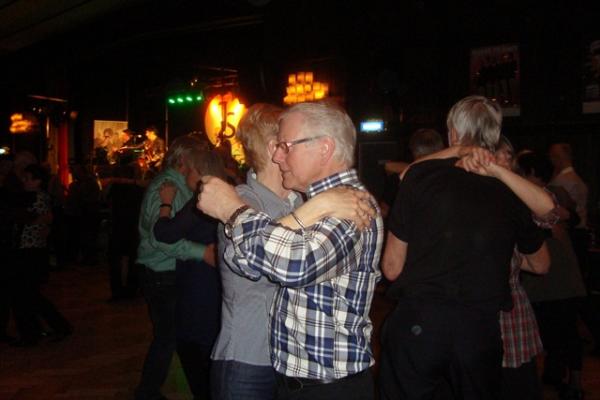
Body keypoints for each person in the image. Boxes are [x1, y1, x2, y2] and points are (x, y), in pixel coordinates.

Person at [197, 100, 384, 400]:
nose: (278, 156)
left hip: (328, 387)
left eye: (286, 146)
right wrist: (316, 206)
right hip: (295, 379)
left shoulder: (351, 207)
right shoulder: (317, 203)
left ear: (324, 148)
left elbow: (295, 264)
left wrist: (231, 209)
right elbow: (240, 259)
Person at [379, 95, 550, 400]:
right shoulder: (511, 191)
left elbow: (391, 269)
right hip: (478, 330)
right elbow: (541, 263)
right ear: (495, 136)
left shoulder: (420, 177)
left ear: (453, 133)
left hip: (420, 323)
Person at [134, 134, 213, 400]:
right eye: (198, 158)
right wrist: (202, 252)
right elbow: (160, 238)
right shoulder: (167, 187)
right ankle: (147, 392)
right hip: (160, 273)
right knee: (169, 337)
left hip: (167, 272)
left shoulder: (181, 185)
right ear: (184, 160)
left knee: (173, 335)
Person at [154, 149, 225, 400]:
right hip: (216, 279)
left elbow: (164, 233)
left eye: (189, 170)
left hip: (199, 279)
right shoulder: (230, 192)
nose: (185, 174)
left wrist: (165, 204)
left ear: (199, 171)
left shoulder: (203, 199)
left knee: (193, 344)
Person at [519, 151, 587, 400]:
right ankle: (562, 376)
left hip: (548, 277)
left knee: (555, 329)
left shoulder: (530, 197)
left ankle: (568, 380)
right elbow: (574, 217)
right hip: (565, 274)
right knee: (565, 329)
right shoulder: (556, 193)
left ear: (530, 173)